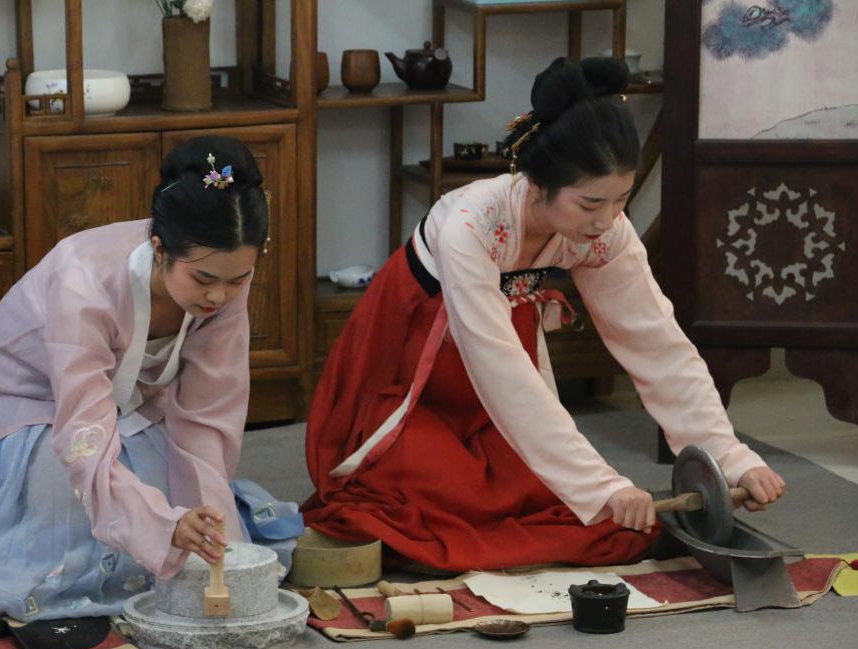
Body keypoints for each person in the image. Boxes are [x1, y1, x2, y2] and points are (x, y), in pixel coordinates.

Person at [302, 57, 786, 573]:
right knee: (426, 504)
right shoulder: (470, 227)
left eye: (621, 200)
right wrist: (601, 485)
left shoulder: (606, 230)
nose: (606, 221)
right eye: (589, 204)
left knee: (555, 504)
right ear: (537, 183)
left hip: (496, 384)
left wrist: (728, 456)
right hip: (408, 378)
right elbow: (500, 370)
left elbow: (656, 343)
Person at [0, 136, 271, 621]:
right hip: (31, 394)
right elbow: (81, 431)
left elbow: (208, 415)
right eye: (203, 280)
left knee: (180, 496)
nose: (218, 297)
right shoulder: (84, 279)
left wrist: (207, 530)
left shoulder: (223, 271)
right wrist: (164, 526)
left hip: (132, 395)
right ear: (159, 249)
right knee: (63, 489)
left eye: (237, 280)